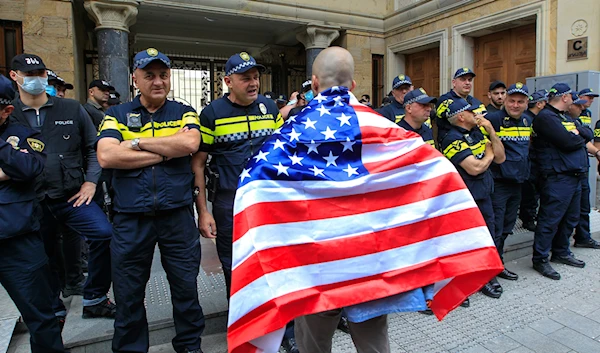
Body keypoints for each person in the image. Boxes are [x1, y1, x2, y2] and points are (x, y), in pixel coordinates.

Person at [97, 48, 205, 353]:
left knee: (185, 288)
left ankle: (189, 346)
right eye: (149, 75)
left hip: (177, 217)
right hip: (131, 219)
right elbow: (107, 156)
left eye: (163, 75)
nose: (158, 82)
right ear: (135, 78)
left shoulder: (184, 111)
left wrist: (134, 142)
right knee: (129, 294)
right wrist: (165, 150)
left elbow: (190, 143)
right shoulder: (115, 115)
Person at [9, 53, 114, 328]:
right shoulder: (9, 113)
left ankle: (94, 298)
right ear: (14, 77)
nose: (37, 80)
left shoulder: (71, 109)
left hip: (71, 196)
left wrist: (91, 182)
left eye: (41, 74)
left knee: (104, 234)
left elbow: (93, 149)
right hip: (30, 201)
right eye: (30, 76)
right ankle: (54, 307)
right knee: (42, 256)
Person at [192, 51, 282, 301]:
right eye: (245, 78)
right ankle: (243, 324)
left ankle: (283, 328)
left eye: (255, 77)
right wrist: (203, 212)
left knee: (273, 258)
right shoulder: (212, 113)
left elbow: (282, 152)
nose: (253, 83)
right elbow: (198, 164)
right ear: (228, 81)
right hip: (228, 201)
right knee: (234, 263)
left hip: (266, 199)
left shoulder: (270, 107)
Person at [0, 74, 67, 353]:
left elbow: (28, 169)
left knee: (41, 315)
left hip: (18, 241)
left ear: (6, 111)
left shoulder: (25, 136)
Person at [441, 98, 505, 302]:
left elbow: (501, 157)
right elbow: (474, 168)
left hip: (486, 193)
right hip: (466, 198)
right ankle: (466, 280)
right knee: (467, 241)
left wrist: (492, 132)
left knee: (489, 235)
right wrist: (487, 154)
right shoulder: (451, 138)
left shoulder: (478, 132)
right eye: (471, 112)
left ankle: (485, 276)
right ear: (461, 116)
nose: (477, 115)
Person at [530, 83, 589, 280]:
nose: (574, 100)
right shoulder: (546, 117)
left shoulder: (564, 117)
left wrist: (579, 134)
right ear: (564, 98)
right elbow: (568, 142)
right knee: (550, 219)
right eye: (571, 96)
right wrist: (578, 135)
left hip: (573, 176)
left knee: (571, 218)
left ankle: (561, 252)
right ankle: (540, 258)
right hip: (557, 177)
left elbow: (584, 132)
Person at [486, 83, 532, 297]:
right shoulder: (493, 119)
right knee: (493, 230)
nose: (515, 104)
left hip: (518, 183)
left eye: (520, 101)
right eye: (511, 100)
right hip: (499, 183)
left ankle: (499, 263)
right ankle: (487, 275)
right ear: (504, 100)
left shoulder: (527, 120)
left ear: (526, 103)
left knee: (506, 228)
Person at [566, 93, 600, 249]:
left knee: (584, 206)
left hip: (582, 167)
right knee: (567, 212)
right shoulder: (563, 120)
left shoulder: (578, 119)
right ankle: (559, 248)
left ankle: (582, 237)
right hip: (567, 172)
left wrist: (597, 153)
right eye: (578, 105)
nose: (581, 108)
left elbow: (587, 139)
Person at [519, 90, 548, 231]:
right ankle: (528, 219)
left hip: (536, 161)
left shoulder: (534, 117)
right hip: (529, 160)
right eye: (545, 102)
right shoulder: (528, 119)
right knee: (529, 193)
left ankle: (530, 216)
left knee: (534, 192)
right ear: (539, 104)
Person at [435, 68, 486, 146]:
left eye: (470, 80)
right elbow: (459, 121)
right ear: (454, 83)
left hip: (476, 144)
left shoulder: (475, 101)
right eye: (463, 79)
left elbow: (485, 121)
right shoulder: (445, 100)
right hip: (452, 146)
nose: (467, 83)